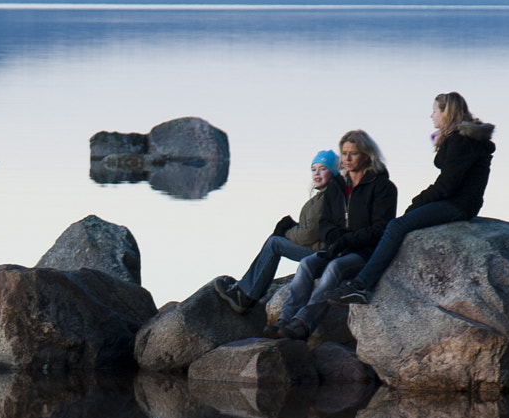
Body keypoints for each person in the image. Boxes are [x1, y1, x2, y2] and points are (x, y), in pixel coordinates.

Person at [337, 93, 494, 305]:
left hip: (458, 204)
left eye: (435, 111)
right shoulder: (464, 139)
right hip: (461, 202)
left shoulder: (461, 142)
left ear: (446, 113)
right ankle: (362, 283)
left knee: (396, 226)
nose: (431, 116)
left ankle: (362, 285)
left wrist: (418, 201)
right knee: (399, 225)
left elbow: (447, 186)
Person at [268, 131, 395, 338]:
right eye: (344, 153)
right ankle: (285, 319)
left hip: (365, 253)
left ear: (366, 155)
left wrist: (346, 240)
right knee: (307, 264)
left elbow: (379, 229)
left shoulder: (383, 188)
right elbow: (325, 222)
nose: (347, 159)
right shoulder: (337, 186)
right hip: (337, 248)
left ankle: (302, 324)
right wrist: (334, 238)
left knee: (334, 268)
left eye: (353, 153)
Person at [211, 148, 341, 313]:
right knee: (276, 240)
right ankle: (249, 289)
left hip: (321, 253)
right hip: (320, 248)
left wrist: (287, 231)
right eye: (314, 169)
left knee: (275, 243)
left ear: (334, 171)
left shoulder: (328, 196)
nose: (317, 173)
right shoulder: (326, 194)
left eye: (323, 169)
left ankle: (245, 295)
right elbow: (312, 229)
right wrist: (293, 227)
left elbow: (308, 235)